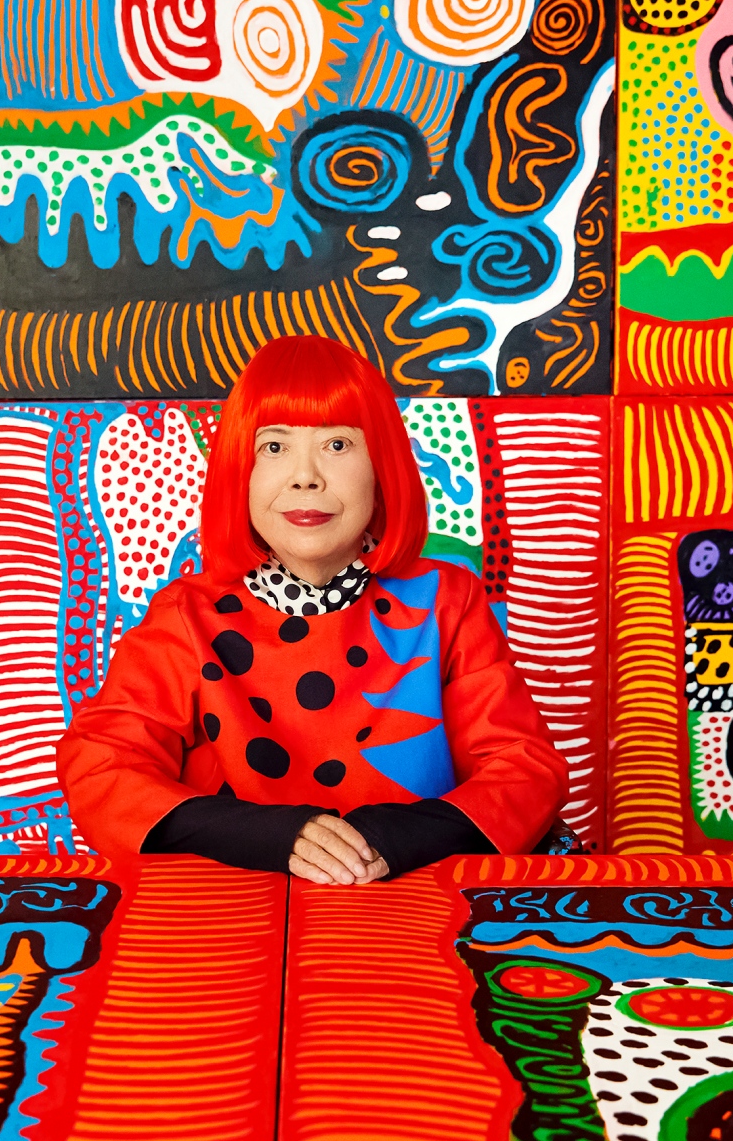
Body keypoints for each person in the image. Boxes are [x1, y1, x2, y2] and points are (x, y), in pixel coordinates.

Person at [56, 334, 567, 883]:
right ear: (239, 474)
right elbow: (100, 765)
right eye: (274, 447)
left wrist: (396, 838)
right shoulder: (188, 615)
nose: (306, 476)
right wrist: (266, 834)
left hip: (414, 914)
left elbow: (525, 768)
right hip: (228, 920)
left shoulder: (446, 600)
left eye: (338, 445)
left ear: (382, 469)